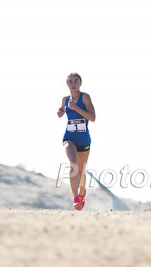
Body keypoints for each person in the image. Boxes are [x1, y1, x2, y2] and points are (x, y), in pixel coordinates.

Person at [57, 73, 96, 210]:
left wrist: (76, 108)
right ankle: (75, 198)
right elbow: (62, 109)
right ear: (67, 84)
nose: (73, 84)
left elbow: (92, 118)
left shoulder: (85, 97)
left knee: (80, 170)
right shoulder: (65, 99)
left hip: (84, 139)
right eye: (70, 82)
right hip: (69, 137)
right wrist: (60, 111)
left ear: (80, 83)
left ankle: (82, 193)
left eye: (75, 81)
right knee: (73, 163)